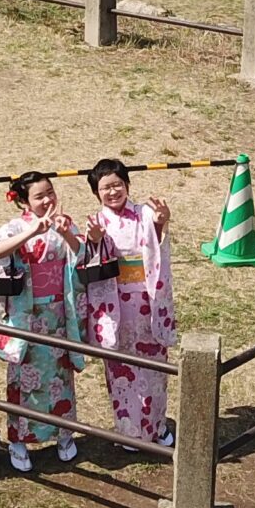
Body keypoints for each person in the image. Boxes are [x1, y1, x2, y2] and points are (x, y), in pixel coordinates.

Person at [0, 172, 84, 472]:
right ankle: (18, 440)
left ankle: (64, 434)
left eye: (50, 193)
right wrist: (32, 232)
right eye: (39, 196)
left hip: (59, 314)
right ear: (24, 201)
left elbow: (81, 254)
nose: (47, 200)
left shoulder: (64, 222)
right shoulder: (15, 228)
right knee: (24, 378)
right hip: (26, 316)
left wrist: (66, 233)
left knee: (61, 376)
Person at [80, 159, 177, 446]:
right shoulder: (97, 222)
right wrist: (94, 239)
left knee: (154, 366)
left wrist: (160, 222)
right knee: (122, 370)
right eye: (105, 188)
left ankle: (158, 425)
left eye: (118, 185)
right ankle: (129, 431)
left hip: (148, 300)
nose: (113, 192)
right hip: (116, 305)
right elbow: (91, 261)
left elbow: (157, 244)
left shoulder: (144, 213)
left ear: (127, 185)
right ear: (96, 193)